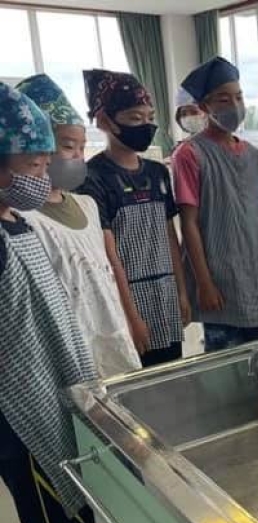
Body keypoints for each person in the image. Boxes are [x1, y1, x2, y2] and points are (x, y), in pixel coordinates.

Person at [0, 83, 97, 523]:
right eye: (33, 166)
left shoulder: (15, 221)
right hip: (23, 419)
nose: (42, 178)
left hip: (51, 398)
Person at [16, 73, 141, 378]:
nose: (78, 156)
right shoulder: (23, 220)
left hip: (111, 340)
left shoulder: (87, 205)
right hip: (64, 355)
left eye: (83, 147)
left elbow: (107, 275)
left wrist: (129, 322)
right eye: (69, 146)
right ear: (37, 148)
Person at [79, 69, 189, 368]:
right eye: (134, 118)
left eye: (149, 117)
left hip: (164, 292)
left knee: (171, 375)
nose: (145, 125)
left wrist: (181, 292)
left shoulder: (157, 173)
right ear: (104, 121)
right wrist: (131, 317)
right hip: (127, 299)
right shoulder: (93, 179)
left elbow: (170, 236)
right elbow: (109, 257)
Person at [174, 56, 258, 352]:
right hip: (221, 281)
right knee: (227, 369)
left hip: (256, 274)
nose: (233, 105)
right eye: (223, 99)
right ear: (205, 106)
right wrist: (205, 283)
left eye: (238, 97)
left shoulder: (253, 155)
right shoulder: (190, 154)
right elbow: (190, 224)